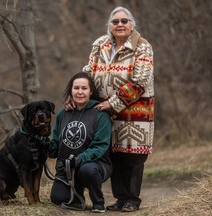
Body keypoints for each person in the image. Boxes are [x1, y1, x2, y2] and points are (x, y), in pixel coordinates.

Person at [66, 6, 154, 212]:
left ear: (132, 24)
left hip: (134, 112)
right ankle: (120, 198)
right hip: (103, 111)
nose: (120, 25)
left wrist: (113, 103)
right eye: (115, 22)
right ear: (109, 25)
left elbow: (140, 82)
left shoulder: (143, 46)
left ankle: (132, 198)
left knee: (133, 156)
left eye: (124, 21)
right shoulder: (100, 44)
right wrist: (76, 95)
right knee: (113, 153)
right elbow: (87, 72)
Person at [48, 72, 113, 213]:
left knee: (87, 170)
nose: (80, 92)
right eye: (76, 88)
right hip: (67, 168)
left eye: (84, 88)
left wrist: (80, 159)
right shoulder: (63, 114)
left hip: (96, 165)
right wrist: (43, 145)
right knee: (58, 198)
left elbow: (100, 145)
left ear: (91, 92)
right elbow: (56, 145)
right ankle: (76, 196)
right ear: (71, 91)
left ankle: (98, 202)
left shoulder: (100, 113)